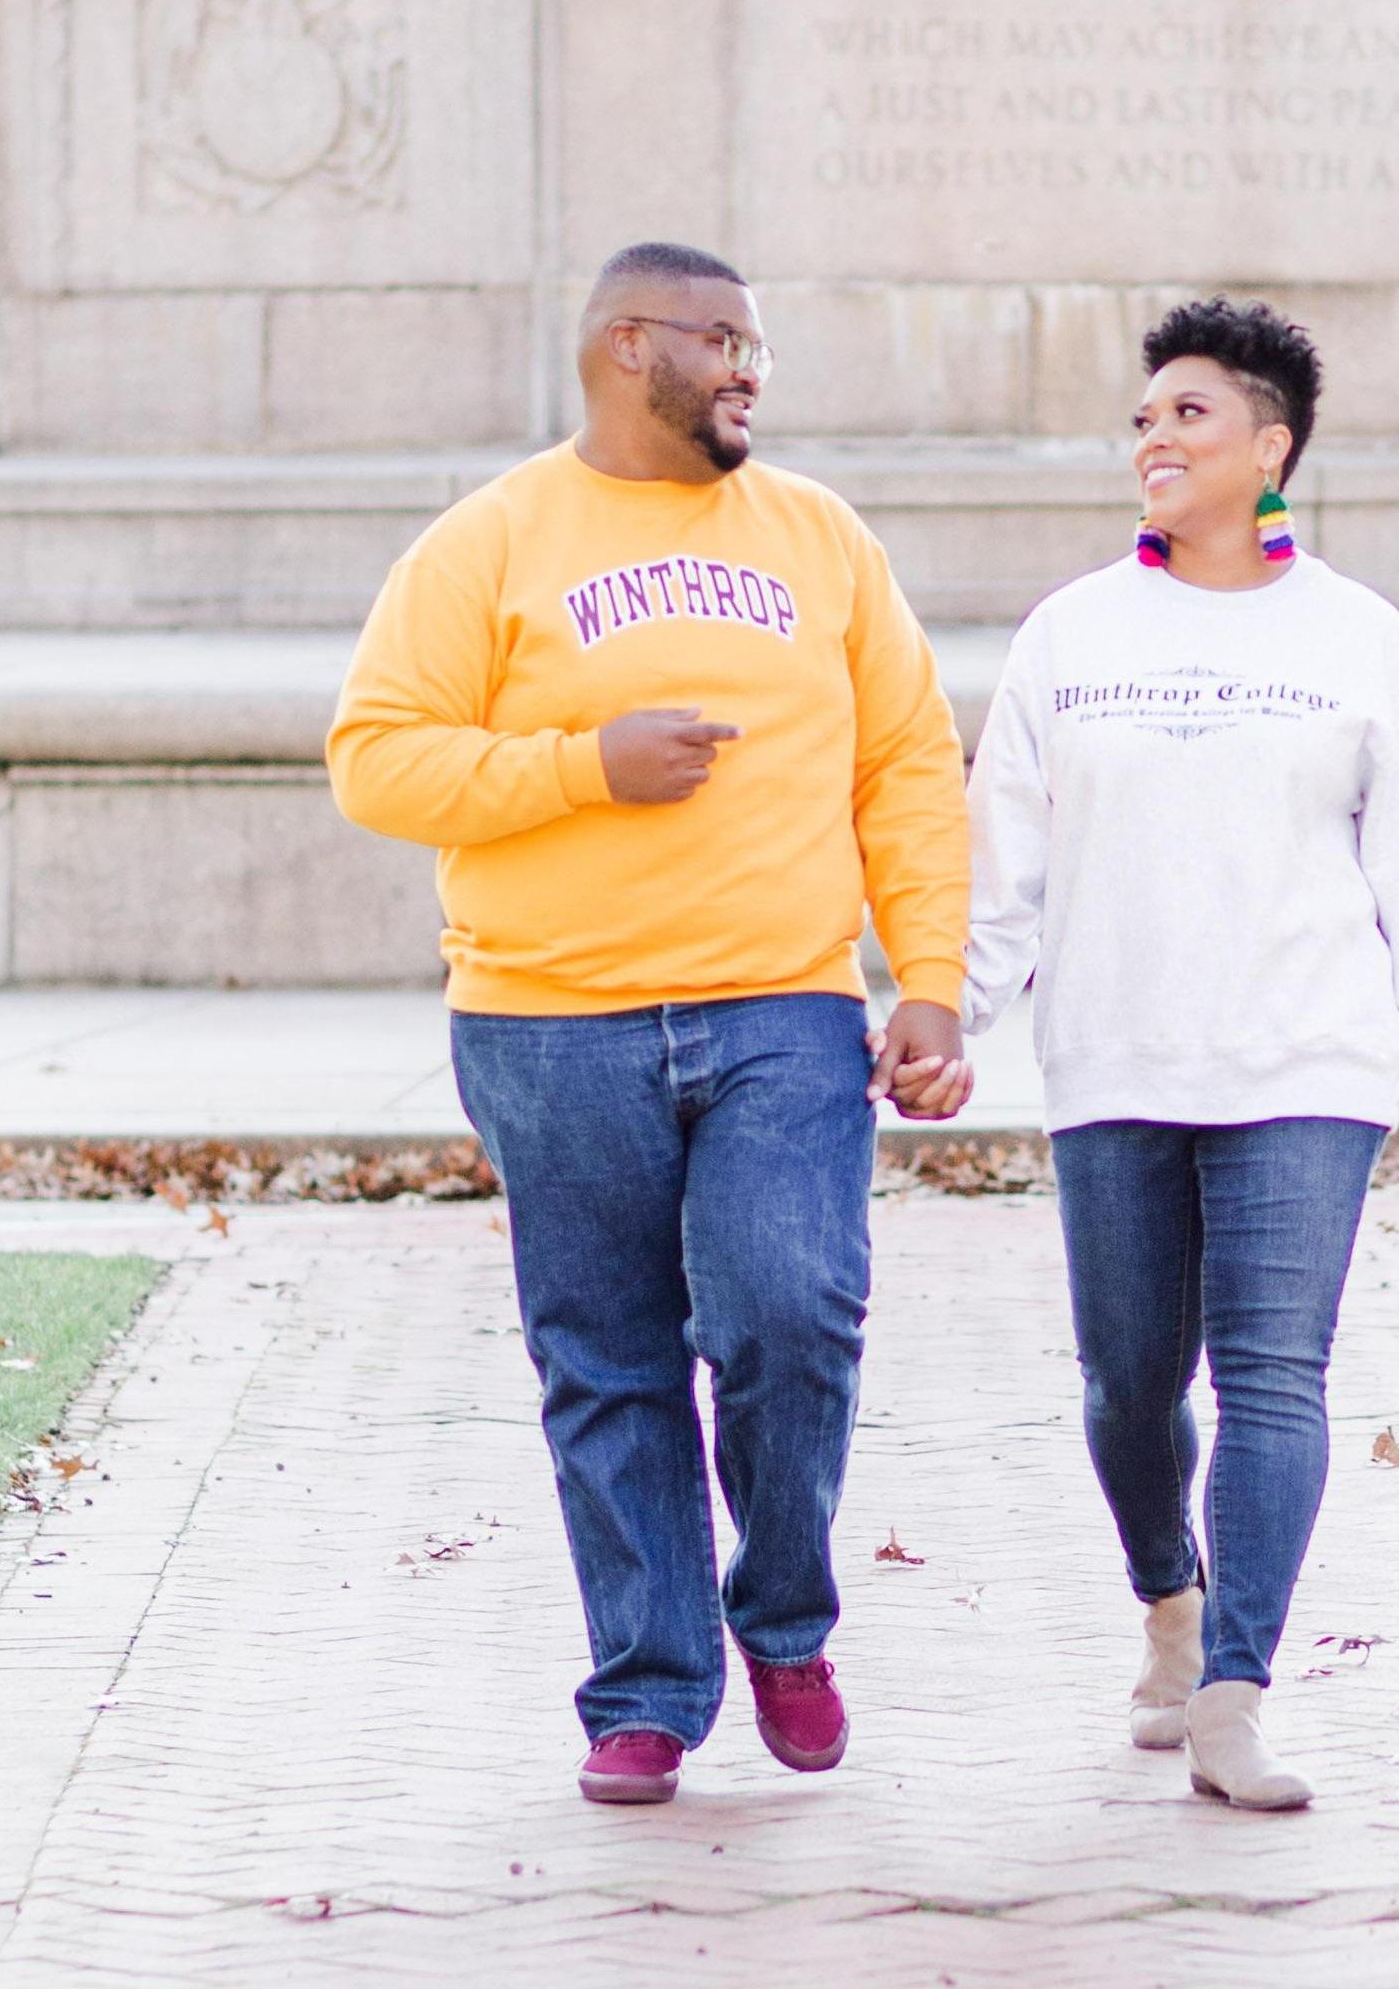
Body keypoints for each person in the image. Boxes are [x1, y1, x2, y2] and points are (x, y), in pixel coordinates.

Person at [329, 242, 976, 1808]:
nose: (751, 368)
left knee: (790, 1314)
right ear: (629, 347)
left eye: (760, 345)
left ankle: (783, 1620)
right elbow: (375, 760)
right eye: (722, 339)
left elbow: (906, 760)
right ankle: (648, 1686)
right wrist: (579, 764)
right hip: (552, 1024)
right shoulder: (488, 544)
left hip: (782, 1005)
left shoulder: (818, 535)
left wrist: (932, 979)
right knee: (609, 1361)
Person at [963, 297, 1399, 1812]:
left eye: (1188, 415)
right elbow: (1005, 854)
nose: (1153, 437)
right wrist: (954, 1008)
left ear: (1272, 450)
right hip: (1116, 1062)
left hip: (1308, 1065)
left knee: (1276, 1377)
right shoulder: (1072, 634)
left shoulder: (1356, 638)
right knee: (1131, 1387)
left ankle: (1236, 1692)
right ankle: (1169, 1601)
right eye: (1143, 418)